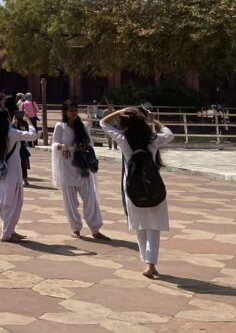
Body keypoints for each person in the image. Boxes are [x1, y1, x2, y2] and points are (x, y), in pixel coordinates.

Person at [101, 106, 174, 278]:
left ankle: (147, 262)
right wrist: (153, 120)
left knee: (140, 226)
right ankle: (150, 263)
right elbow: (170, 134)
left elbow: (103, 123)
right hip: (153, 187)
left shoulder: (123, 139)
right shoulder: (152, 139)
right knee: (153, 226)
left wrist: (118, 112)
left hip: (133, 189)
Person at [52, 100, 107, 239]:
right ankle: (76, 228)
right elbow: (54, 144)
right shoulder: (60, 126)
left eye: (75, 110)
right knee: (70, 202)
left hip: (82, 168)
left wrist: (84, 147)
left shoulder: (82, 126)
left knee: (90, 200)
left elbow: (90, 143)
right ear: (65, 112)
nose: (74, 113)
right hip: (67, 168)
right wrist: (62, 146)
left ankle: (95, 229)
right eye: (71, 110)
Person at [0, 108, 37, 242]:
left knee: (2, 199)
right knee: (13, 201)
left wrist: (12, 125)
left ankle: (9, 229)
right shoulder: (12, 133)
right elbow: (33, 135)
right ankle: (7, 233)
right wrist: (28, 120)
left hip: (0, 170)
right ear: (7, 119)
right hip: (13, 171)